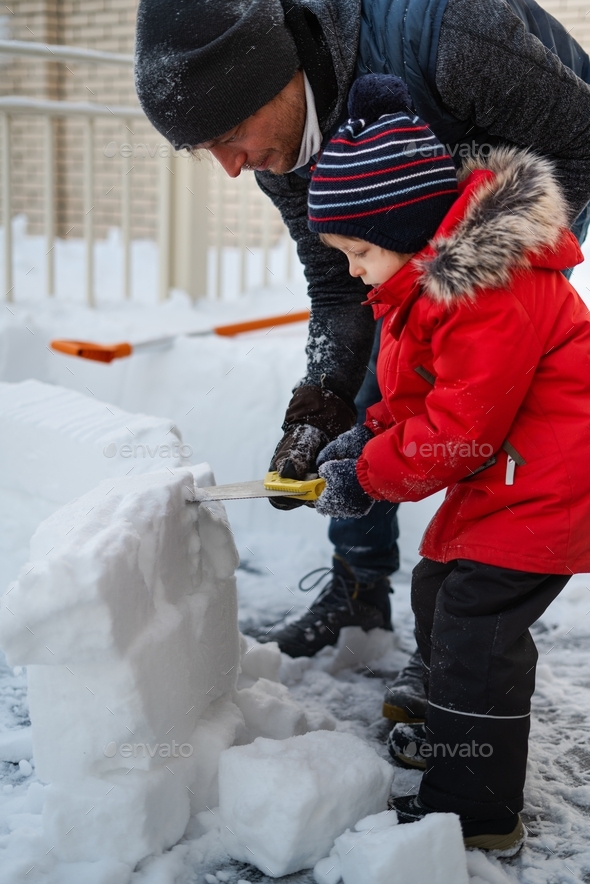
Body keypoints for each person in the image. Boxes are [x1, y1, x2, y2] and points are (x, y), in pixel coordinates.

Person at [134, 0, 590, 721]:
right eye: (204, 151)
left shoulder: (450, 37)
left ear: (274, 77)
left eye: (227, 136)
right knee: (387, 379)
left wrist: (473, 266)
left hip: (530, 173)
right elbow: (336, 284)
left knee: (476, 395)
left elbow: (580, 138)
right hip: (425, 211)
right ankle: (361, 588)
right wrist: (320, 401)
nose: (229, 168)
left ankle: (464, 632)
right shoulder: (278, 150)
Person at [307, 72, 590, 854]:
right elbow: (420, 400)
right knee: (439, 585)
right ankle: (449, 713)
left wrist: (370, 476)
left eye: (359, 251)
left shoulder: (487, 292)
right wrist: (362, 444)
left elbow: (460, 426)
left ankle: (476, 807)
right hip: (510, 474)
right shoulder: (424, 289)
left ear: (405, 226)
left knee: (478, 630)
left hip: (548, 485)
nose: (355, 270)